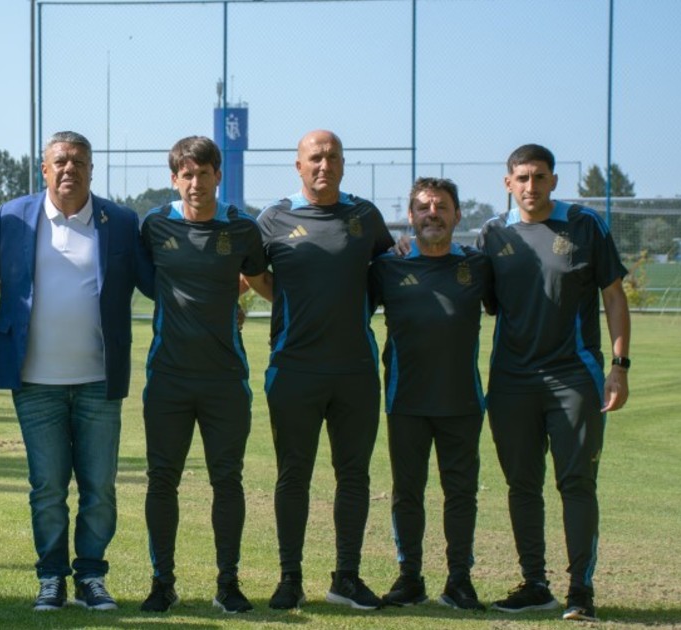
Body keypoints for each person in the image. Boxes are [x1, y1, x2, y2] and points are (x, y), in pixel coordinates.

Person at [0, 131, 153, 611]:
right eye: (60, 161)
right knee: (47, 488)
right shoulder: (13, 216)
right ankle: (51, 577)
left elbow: (157, 281)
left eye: (79, 161)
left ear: (91, 170)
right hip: (35, 382)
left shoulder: (120, 221)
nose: (70, 168)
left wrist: (220, 295)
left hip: (98, 381)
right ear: (44, 169)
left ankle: (91, 576)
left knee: (99, 489)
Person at [479, 144, 630, 622]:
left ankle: (580, 590)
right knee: (522, 484)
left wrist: (620, 366)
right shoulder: (493, 233)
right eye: (522, 178)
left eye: (539, 177)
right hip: (511, 381)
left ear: (554, 181)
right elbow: (477, 294)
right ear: (508, 184)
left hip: (573, 378)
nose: (531, 186)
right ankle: (534, 585)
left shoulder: (585, 225)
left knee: (576, 482)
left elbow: (613, 295)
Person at [245, 129, 395, 611]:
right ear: (299, 165)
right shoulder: (273, 218)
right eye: (315, 157)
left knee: (354, 475)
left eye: (332, 157)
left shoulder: (365, 217)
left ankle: (346, 577)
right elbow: (253, 274)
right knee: (294, 474)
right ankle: (290, 578)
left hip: (355, 370)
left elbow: (388, 270)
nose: (324, 165)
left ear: (343, 164)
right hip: (294, 369)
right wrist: (288, 304)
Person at [137, 136, 267, 614]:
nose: (196, 183)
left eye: (204, 173)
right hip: (168, 379)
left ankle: (228, 584)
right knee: (161, 480)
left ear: (218, 175)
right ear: (175, 179)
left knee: (227, 480)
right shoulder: (155, 225)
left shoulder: (242, 228)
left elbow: (261, 280)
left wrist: (232, 301)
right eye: (187, 175)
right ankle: (162, 583)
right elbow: (141, 276)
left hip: (225, 379)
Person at [369, 178, 493, 611]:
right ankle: (410, 578)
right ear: (411, 216)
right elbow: (348, 311)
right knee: (407, 492)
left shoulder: (479, 265)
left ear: (457, 214)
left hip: (462, 401)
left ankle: (459, 579)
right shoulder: (387, 266)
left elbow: (512, 308)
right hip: (406, 400)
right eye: (423, 207)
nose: (432, 214)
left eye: (441, 206)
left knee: (461, 494)